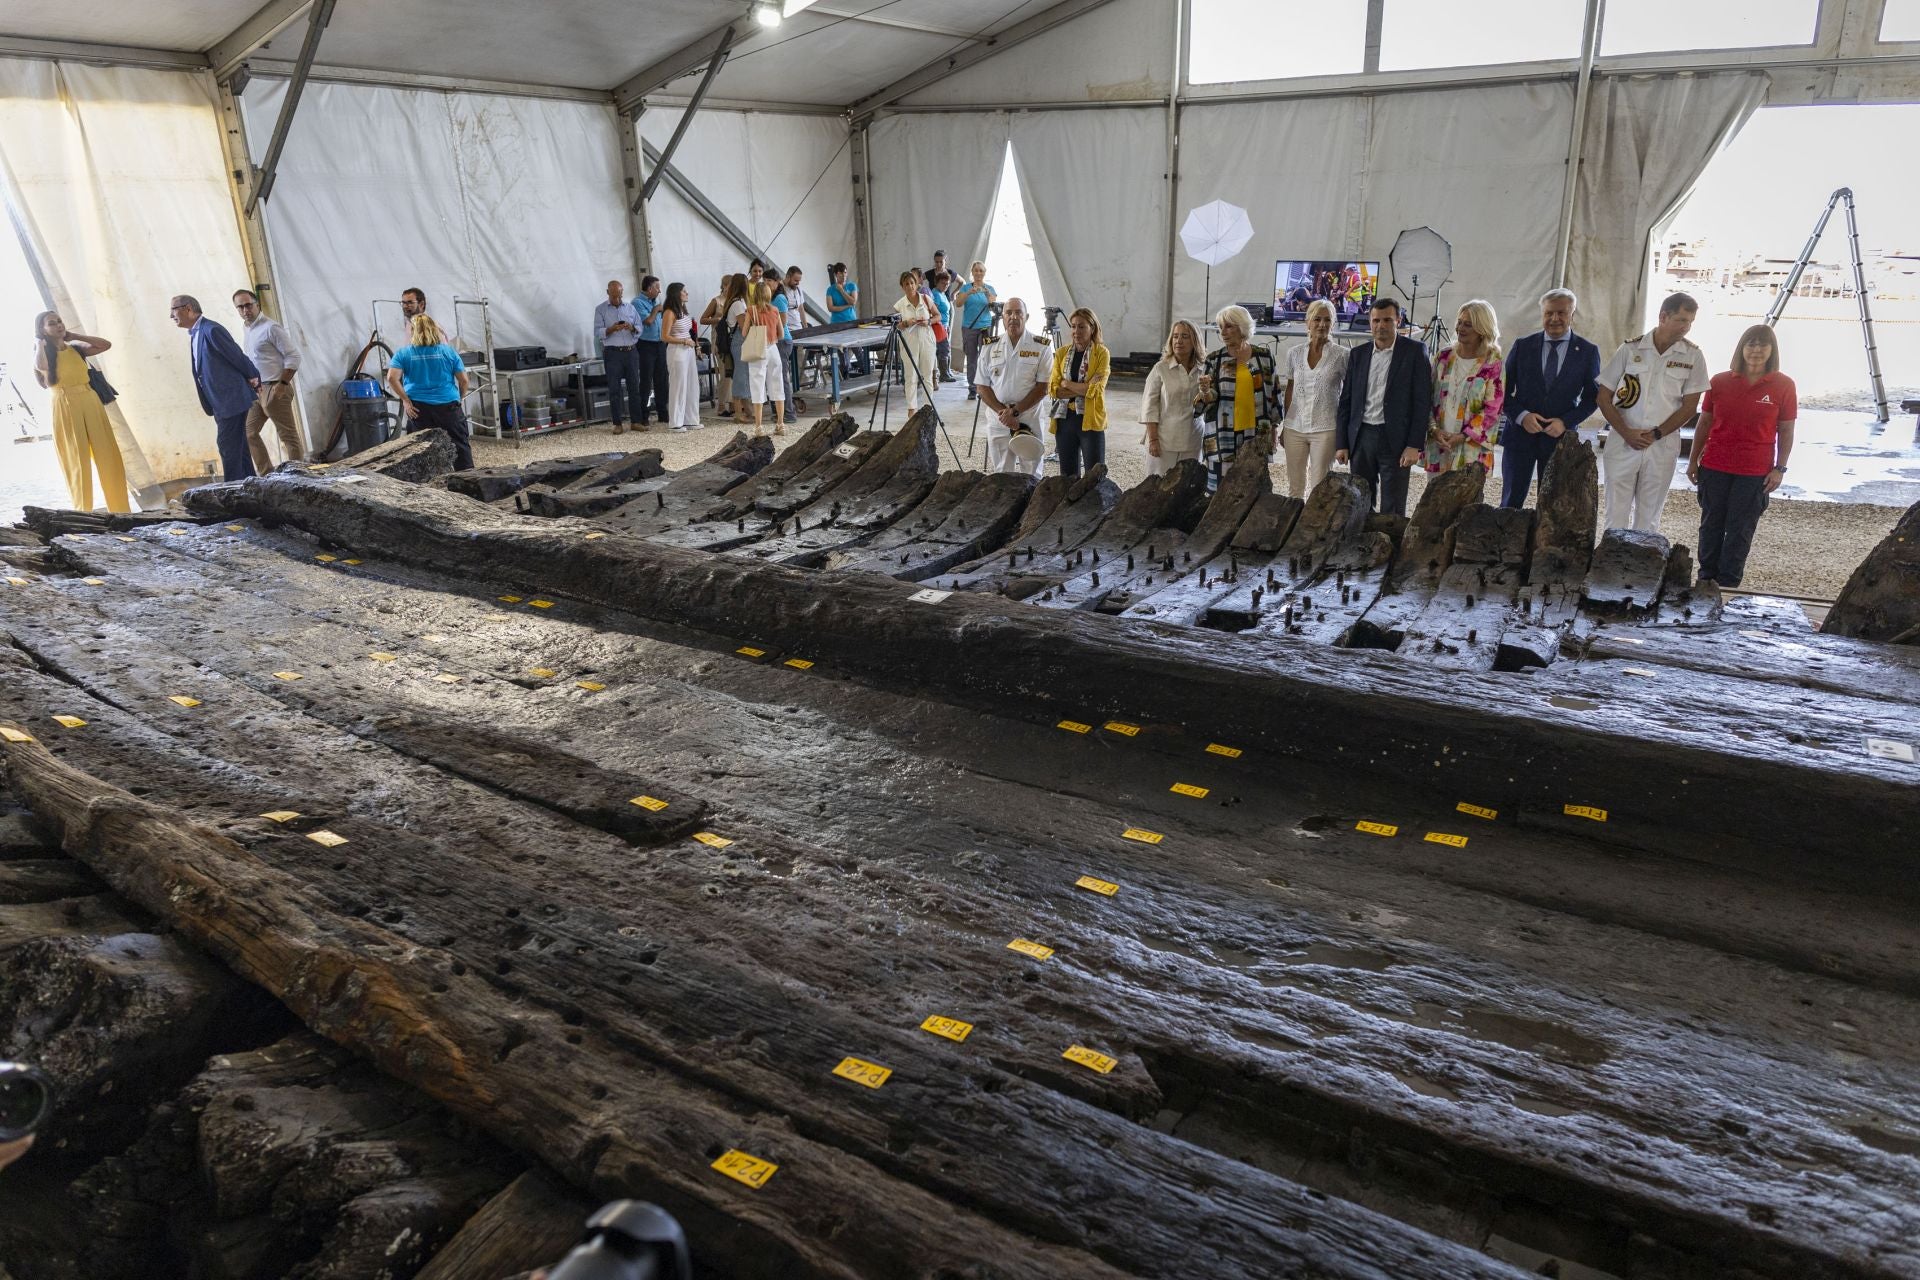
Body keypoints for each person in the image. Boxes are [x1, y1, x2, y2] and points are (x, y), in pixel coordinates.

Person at [1688, 325, 1795, 590]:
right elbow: (1704, 423)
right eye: (1751, 344)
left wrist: (1780, 468)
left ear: (1772, 350)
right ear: (1741, 348)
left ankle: (1728, 585)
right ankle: (1706, 580)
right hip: (1715, 465)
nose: (1756, 350)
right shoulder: (1720, 381)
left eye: (1763, 345)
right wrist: (1692, 461)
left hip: (1754, 470)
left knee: (1740, 530)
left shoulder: (1783, 385)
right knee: (1711, 524)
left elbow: (1786, 429)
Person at [1595, 292, 1709, 532]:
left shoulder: (1693, 356)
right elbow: (1604, 397)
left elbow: (1690, 406)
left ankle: (1642, 567)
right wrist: (1626, 432)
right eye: (1680, 320)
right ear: (1663, 316)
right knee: (1615, 514)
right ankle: (1611, 567)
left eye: (1690, 322)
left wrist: (1657, 434)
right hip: (1624, 441)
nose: (1685, 327)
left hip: (1662, 445)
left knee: (1649, 518)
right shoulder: (1630, 349)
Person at [1500, 288, 1601, 508]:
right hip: (1519, 437)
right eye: (1549, 313)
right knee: (1510, 502)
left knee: (1553, 505)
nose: (1555, 319)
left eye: (1561, 313)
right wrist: (1522, 416)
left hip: (1560, 440)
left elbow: (1592, 399)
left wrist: (1565, 422)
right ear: (1542, 314)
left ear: (1572, 315)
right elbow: (1501, 392)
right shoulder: (1522, 346)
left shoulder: (1587, 352)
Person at [1335, 298, 1431, 515]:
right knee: (1359, 498)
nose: (1381, 326)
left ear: (1398, 320)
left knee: (1394, 503)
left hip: (1396, 438)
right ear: (1370, 322)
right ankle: (1361, 544)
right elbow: (1346, 401)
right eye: (1376, 320)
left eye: (1387, 320)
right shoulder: (1358, 355)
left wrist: (1414, 444)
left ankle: (1391, 544)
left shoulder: (1415, 351)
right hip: (1361, 436)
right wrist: (1342, 442)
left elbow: (1422, 401)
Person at [33, 311, 130, 513]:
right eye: (52, 323)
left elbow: (105, 345)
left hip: (89, 399)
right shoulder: (43, 353)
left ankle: (120, 510)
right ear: (42, 329)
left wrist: (75, 336)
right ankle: (82, 511)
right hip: (64, 402)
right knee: (76, 459)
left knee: (108, 454)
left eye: (60, 321)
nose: (58, 325)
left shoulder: (76, 348)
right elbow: (41, 367)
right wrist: (40, 344)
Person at [1195, 305, 1282, 494]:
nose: (1223, 332)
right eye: (1220, 327)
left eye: (1229, 326)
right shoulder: (1215, 360)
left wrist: (1275, 430)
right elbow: (1209, 398)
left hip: (1257, 434)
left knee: (1253, 490)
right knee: (1219, 492)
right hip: (1222, 435)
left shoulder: (1264, 357)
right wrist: (1204, 391)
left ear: (1242, 327)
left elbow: (1274, 394)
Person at [174, 294, 262, 483]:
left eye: (174, 310)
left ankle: (233, 493)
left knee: (228, 447)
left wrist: (253, 376)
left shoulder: (211, 330)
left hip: (231, 399)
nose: (171, 316)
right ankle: (250, 488)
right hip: (220, 401)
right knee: (238, 448)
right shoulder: (197, 333)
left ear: (188, 308)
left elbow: (236, 355)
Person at [1424, 299, 1505, 475]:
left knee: (1467, 501)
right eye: (1459, 322)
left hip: (1471, 449)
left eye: (1468, 324)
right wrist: (1434, 430)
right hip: (1439, 444)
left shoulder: (1492, 363)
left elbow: (1493, 409)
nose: (1460, 328)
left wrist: (1462, 437)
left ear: (1482, 330)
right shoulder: (1443, 357)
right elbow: (1425, 397)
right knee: (1435, 499)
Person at [385, 312, 474, 469]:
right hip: (448, 406)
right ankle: (469, 485)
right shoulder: (448, 352)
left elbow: (392, 378)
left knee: (419, 452)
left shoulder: (403, 353)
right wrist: (459, 398)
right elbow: (464, 380)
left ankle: (425, 488)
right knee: (460, 447)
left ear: (413, 331)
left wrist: (405, 400)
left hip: (418, 408)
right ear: (434, 330)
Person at [974, 296, 1050, 476]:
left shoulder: (1041, 347)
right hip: (998, 419)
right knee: (1001, 474)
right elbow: (982, 386)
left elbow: (1043, 387)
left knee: (1031, 473)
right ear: (1003, 318)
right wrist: (1004, 413)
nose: (1013, 317)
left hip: (1029, 417)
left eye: (1018, 313)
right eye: (1009, 313)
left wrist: (1015, 412)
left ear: (1027, 317)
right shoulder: (989, 347)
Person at [232, 290, 305, 471]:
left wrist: (282, 384)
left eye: (248, 305)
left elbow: (293, 356)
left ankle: (298, 475)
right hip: (256, 389)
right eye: (240, 307)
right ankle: (267, 475)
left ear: (257, 305)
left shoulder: (271, 327)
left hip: (275, 386)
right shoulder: (247, 328)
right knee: (248, 432)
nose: (245, 310)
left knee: (287, 435)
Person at [1282, 300, 1348, 497]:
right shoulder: (1294, 353)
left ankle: (1314, 526)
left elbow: (1349, 396)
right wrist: (1285, 425)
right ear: (1307, 322)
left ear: (1333, 324)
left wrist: (1344, 435)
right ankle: (1293, 523)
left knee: (1319, 486)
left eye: (1327, 320)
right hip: (1294, 428)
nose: (1322, 324)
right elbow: (1290, 390)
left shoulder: (1343, 355)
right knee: (1295, 486)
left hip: (1326, 428)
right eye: (1317, 319)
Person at [1047, 308, 1111, 481]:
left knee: (1094, 477)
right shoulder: (1061, 353)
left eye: (1081, 327)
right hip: (1065, 419)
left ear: (1092, 328)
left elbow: (1095, 391)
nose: (1076, 331)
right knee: (1067, 477)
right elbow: (1054, 390)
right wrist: (1083, 386)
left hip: (1090, 421)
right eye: (1073, 327)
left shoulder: (1101, 353)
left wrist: (1066, 383)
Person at [1140, 319, 1203, 476]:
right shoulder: (1160, 368)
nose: (1179, 341)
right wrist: (1153, 440)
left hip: (1193, 439)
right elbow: (1149, 406)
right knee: (1157, 488)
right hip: (1164, 440)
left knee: (1189, 488)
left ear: (1195, 340)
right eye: (1175, 336)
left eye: (1185, 336)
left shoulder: (1204, 369)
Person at [595, 279, 643, 435]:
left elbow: (640, 327)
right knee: (614, 389)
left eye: (619, 295)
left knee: (634, 388)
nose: (616, 299)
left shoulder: (630, 308)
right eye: (613, 295)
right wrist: (612, 329)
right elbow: (597, 332)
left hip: (630, 351)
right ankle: (617, 423)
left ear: (622, 293)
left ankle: (636, 421)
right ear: (608, 292)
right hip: (612, 353)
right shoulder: (601, 309)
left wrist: (632, 328)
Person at [742, 281, 786, 438]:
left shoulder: (751, 310)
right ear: (768, 294)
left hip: (758, 351)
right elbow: (781, 334)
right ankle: (780, 424)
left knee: (757, 386)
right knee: (777, 384)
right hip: (773, 349)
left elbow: (744, 332)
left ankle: (759, 427)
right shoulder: (775, 310)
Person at [892, 270, 938, 411]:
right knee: (910, 376)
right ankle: (911, 408)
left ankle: (928, 407)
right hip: (909, 341)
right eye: (906, 284)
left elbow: (938, 316)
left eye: (912, 283)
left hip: (927, 339)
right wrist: (906, 323)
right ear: (902, 286)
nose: (910, 286)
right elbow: (896, 326)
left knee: (927, 375)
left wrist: (929, 321)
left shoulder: (926, 299)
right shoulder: (899, 305)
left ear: (917, 284)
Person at [661, 283, 701, 433]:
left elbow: (690, 331)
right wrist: (684, 341)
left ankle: (690, 419)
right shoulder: (669, 312)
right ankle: (675, 421)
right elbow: (664, 336)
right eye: (684, 291)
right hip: (677, 350)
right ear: (677, 293)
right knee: (678, 385)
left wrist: (695, 346)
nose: (687, 293)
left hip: (688, 350)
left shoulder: (683, 311)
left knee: (692, 384)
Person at [955, 262, 997, 397]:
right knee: (972, 358)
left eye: (981, 271)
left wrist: (987, 294)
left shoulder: (989, 288)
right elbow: (958, 303)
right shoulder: (966, 288)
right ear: (972, 273)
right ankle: (973, 388)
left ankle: (985, 388)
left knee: (986, 358)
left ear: (984, 273)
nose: (978, 273)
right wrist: (968, 293)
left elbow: (993, 305)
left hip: (986, 326)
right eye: (976, 271)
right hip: (969, 327)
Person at [774, 265, 808, 417]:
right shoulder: (780, 291)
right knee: (785, 368)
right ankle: (789, 397)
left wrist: (805, 327)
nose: (797, 283)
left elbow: (801, 309)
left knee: (799, 363)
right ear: (787, 277)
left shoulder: (798, 291)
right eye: (795, 280)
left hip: (798, 330)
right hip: (787, 333)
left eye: (799, 280)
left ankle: (798, 390)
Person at [633, 276, 667, 430]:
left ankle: (663, 412)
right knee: (646, 381)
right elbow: (647, 321)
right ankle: (643, 415)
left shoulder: (656, 303)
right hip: (645, 345)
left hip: (660, 344)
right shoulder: (637, 303)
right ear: (649, 289)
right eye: (657, 287)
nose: (660, 291)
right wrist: (656, 310)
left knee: (662, 379)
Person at [825, 263, 869, 377]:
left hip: (851, 322)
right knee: (842, 352)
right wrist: (846, 306)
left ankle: (866, 372)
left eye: (845, 272)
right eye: (840, 273)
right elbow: (831, 308)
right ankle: (846, 376)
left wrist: (842, 291)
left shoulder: (851, 286)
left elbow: (853, 301)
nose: (843, 275)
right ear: (835, 275)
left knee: (857, 349)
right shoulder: (830, 289)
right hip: (837, 324)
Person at [700, 276, 732, 417]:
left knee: (733, 374)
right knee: (724, 373)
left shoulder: (735, 301)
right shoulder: (716, 301)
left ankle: (732, 404)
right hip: (720, 342)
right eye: (729, 286)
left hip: (733, 342)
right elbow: (703, 319)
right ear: (724, 286)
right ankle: (721, 405)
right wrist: (717, 320)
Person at [723, 273, 753, 421]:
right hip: (739, 341)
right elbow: (743, 327)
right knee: (741, 375)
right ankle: (738, 412)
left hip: (738, 341)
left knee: (744, 374)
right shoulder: (738, 304)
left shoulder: (736, 302)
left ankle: (748, 410)